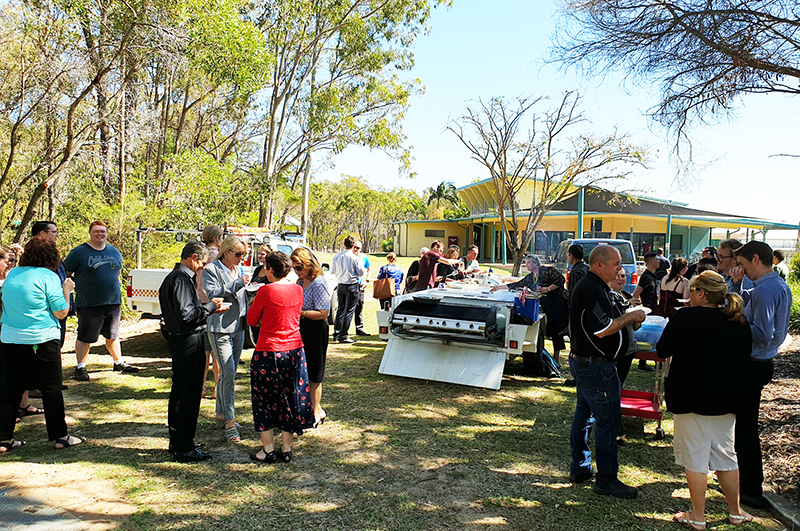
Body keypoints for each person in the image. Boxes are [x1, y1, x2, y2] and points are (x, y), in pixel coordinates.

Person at [656, 271, 754, 528]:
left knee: (695, 458)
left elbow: (663, 349)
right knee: (726, 456)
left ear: (700, 293)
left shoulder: (685, 318)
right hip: (727, 399)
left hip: (689, 397)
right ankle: (736, 511)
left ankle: (698, 516)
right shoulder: (738, 321)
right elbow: (746, 358)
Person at [568, 245, 646, 498]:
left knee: (586, 414)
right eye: (616, 263)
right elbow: (602, 330)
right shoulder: (591, 288)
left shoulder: (599, 287)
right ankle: (606, 479)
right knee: (608, 422)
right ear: (599, 265)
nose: (620, 268)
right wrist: (630, 316)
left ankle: (581, 467)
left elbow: (610, 318)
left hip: (591, 362)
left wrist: (627, 314)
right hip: (596, 364)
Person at [0, 237, 84, 453]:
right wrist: (67, 291)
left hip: (11, 339)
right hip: (42, 339)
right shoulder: (48, 276)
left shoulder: (13, 274)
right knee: (51, 388)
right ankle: (61, 436)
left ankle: (4, 439)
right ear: (51, 256)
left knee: (11, 390)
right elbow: (61, 312)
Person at [729, 241, 792, 509]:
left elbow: (763, 332)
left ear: (756, 259)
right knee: (742, 427)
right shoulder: (776, 285)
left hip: (753, 362)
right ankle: (745, 483)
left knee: (744, 430)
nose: (742, 270)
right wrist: (735, 288)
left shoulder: (766, 289)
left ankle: (751, 488)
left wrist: (735, 329)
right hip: (759, 361)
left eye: (743, 264)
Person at [247, 251, 315, 463]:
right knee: (291, 397)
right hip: (295, 351)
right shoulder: (297, 289)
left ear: (271, 270)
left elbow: (251, 319)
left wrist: (262, 320)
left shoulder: (266, 291)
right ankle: (286, 448)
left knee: (264, 400)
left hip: (269, 351)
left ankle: (267, 449)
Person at [159, 241, 221, 463]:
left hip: (180, 340)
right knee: (188, 395)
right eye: (202, 264)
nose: (203, 268)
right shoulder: (181, 279)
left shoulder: (174, 278)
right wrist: (211, 307)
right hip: (188, 341)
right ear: (194, 257)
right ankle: (184, 446)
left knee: (180, 392)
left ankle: (180, 441)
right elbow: (187, 315)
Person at [64, 221, 137, 381]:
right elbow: (66, 272)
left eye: (102, 231)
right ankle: (81, 368)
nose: (100, 234)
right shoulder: (79, 252)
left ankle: (118, 362)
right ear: (90, 233)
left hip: (112, 302)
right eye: (96, 231)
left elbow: (116, 272)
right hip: (89, 303)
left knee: (113, 335)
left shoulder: (114, 251)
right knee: (86, 336)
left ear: (106, 233)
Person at [203, 236, 249, 443]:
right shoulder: (212, 269)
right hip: (219, 327)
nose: (241, 258)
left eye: (244, 254)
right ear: (226, 251)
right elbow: (213, 293)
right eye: (238, 254)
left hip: (238, 326)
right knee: (228, 372)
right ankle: (230, 423)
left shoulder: (237, 269)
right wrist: (239, 283)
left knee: (227, 374)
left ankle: (221, 414)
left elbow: (239, 295)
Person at [492, 255, 569, 363]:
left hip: (557, 302)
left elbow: (561, 279)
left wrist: (547, 289)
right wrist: (498, 287)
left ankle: (563, 355)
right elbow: (517, 284)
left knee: (560, 328)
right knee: (552, 328)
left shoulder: (547, 271)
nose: (526, 265)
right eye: (526, 262)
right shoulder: (530, 277)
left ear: (536, 263)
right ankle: (554, 356)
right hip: (545, 303)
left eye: (529, 262)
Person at [291, 247, 331, 427]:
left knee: (315, 373)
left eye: (299, 268)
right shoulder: (300, 283)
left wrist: (302, 313)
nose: (296, 272)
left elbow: (323, 313)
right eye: (294, 268)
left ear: (308, 265)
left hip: (316, 331)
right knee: (302, 371)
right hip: (302, 329)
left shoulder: (318, 283)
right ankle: (315, 409)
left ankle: (315, 412)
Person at [198, 225, 223, 400]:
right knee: (216, 351)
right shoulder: (218, 256)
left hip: (199, 301)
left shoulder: (200, 254)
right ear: (218, 237)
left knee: (203, 351)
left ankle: (200, 389)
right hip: (214, 302)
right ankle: (216, 388)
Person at [330, 236, 365, 344]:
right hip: (352, 285)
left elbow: (332, 271)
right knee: (349, 311)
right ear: (353, 245)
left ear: (344, 245)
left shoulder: (337, 256)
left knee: (340, 309)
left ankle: (337, 332)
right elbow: (361, 272)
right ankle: (343, 335)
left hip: (341, 285)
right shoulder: (354, 258)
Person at [632, 252, 659, 372]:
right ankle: (642, 362)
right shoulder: (646, 277)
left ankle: (648, 361)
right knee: (647, 337)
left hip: (654, 310)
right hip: (648, 311)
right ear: (651, 262)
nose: (659, 262)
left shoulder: (652, 275)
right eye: (657, 260)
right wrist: (640, 306)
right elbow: (636, 294)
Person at [352, 241, 371, 337]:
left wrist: (367, 281)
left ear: (361, 249)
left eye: (357, 248)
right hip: (350, 285)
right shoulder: (348, 257)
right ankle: (342, 331)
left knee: (359, 307)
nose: (355, 249)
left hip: (360, 286)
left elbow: (369, 269)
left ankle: (359, 329)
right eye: (354, 247)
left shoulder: (364, 258)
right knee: (347, 309)